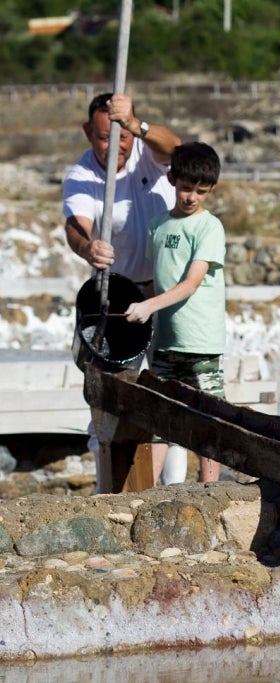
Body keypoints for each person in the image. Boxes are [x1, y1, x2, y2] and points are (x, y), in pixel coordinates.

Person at [63, 92, 184, 492]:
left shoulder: (147, 153)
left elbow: (178, 150)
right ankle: (107, 487)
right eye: (103, 137)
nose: (114, 145)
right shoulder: (80, 176)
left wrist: (136, 126)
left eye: (120, 136)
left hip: (166, 292)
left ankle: (174, 488)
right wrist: (88, 246)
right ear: (87, 133)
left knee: (172, 389)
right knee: (110, 393)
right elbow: (75, 227)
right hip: (119, 297)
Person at [125, 141, 226, 484]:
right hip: (166, 340)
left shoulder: (208, 227)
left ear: (211, 189)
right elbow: (158, 281)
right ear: (171, 180)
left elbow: (191, 282)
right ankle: (150, 488)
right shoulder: (158, 226)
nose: (191, 197)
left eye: (200, 191)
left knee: (209, 415)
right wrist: (137, 303)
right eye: (185, 188)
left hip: (200, 339)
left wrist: (148, 306)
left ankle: (210, 487)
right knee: (160, 415)